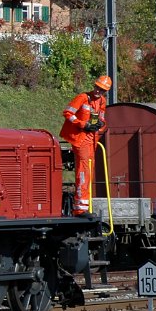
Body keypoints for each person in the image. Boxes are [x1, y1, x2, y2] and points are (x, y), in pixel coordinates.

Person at [60, 75, 111, 216]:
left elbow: (101, 119)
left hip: (92, 141)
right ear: (94, 85)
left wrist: (101, 124)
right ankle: (79, 209)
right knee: (83, 172)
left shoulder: (102, 101)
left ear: (105, 92)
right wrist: (82, 124)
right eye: (97, 87)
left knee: (88, 173)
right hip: (81, 140)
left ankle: (84, 206)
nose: (98, 91)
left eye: (101, 90)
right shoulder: (83, 97)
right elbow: (68, 113)